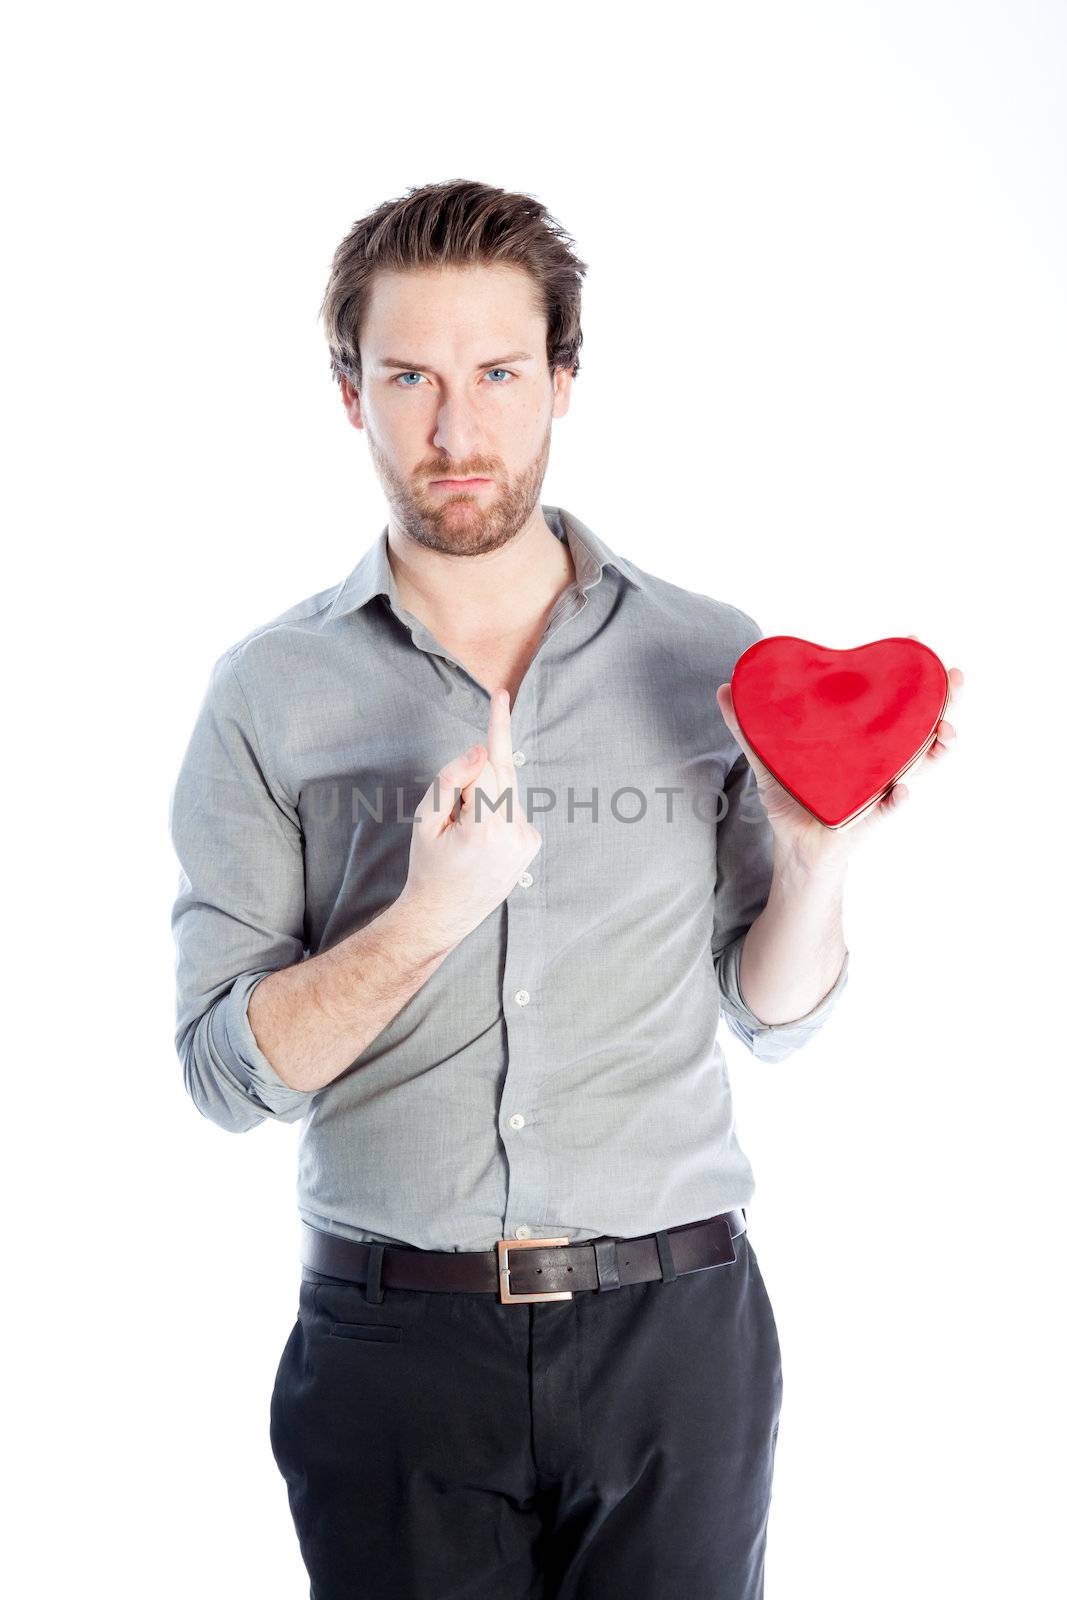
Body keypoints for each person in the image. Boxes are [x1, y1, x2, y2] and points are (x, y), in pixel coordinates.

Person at [168, 178, 962, 1600]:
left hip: (678, 1338)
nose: (455, 430)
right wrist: (423, 916)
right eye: (408, 376)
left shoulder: (707, 658)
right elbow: (227, 1076)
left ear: (564, 382)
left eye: (498, 375)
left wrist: (818, 856)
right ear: (348, 393)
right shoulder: (267, 694)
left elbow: (771, 1014)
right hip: (393, 1351)